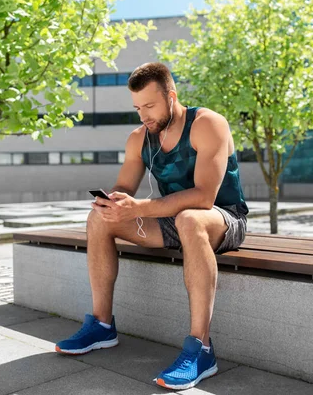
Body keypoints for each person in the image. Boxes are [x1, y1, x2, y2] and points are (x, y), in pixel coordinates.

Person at [55, 62, 248, 390]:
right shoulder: (139, 138)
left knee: (190, 218)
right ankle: (102, 326)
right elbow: (126, 189)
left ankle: (201, 350)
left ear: (171, 96)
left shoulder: (208, 124)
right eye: (137, 108)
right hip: (173, 221)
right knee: (99, 218)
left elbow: (203, 198)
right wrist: (115, 203)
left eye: (149, 105)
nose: (143, 115)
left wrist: (141, 207)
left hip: (223, 218)